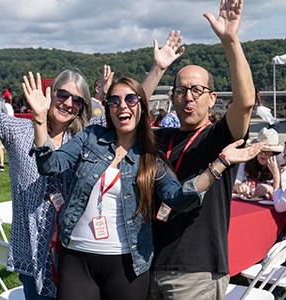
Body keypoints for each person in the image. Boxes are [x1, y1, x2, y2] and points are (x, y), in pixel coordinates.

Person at [0, 31, 199, 300]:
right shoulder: (20, 131)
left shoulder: (89, 136)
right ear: (50, 95)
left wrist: (157, 69)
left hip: (76, 251)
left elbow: (129, 106)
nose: (68, 104)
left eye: (77, 100)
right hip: (35, 255)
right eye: (63, 95)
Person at [27, 75, 262, 300]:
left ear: (141, 107)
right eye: (114, 101)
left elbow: (179, 198)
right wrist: (39, 120)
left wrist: (219, 164)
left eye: (131, 99)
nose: (123, 107)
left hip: (126, 262)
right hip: (77, 256)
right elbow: (50, 165)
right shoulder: (91, 136)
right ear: (108, 108)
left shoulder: (150, 156)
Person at [146, 1, 256, 299]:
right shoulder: (161, 138)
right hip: (149, 263)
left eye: (197, 90)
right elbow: (128, 117)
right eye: (181, 90)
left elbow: (245, 103)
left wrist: (230, 41)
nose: (188, 97)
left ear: (212, 98)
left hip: (196, 271)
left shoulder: (219, 137)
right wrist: (157, 68)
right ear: (172, 98)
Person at [233, 127, 285, 199]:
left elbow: (282, 197)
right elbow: (235, 182)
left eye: (267, 152)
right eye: (260, 151)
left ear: (274, 154)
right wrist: (239, 186)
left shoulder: (281, 167)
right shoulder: (246, 163)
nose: (263, 155)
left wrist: (270, 188)